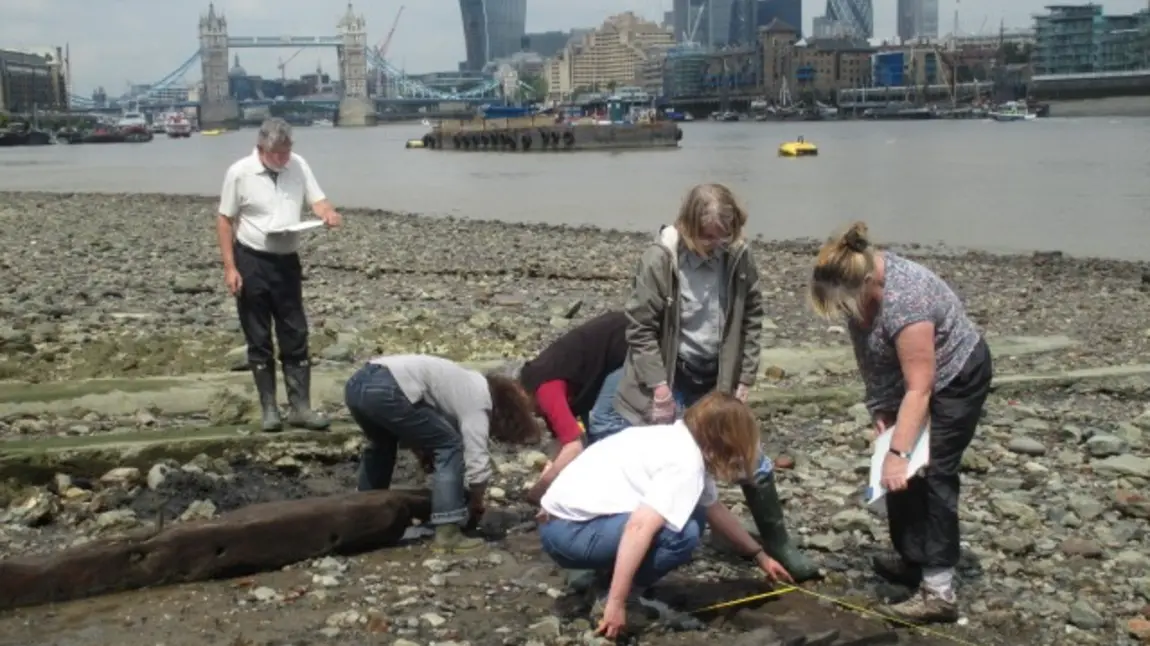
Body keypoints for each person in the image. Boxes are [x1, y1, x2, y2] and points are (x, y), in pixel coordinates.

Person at [590, 182, 820, 582]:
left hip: (719, 375)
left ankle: (778, 541)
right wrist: (658, 386)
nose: (716, 244)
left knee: (749, 453)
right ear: (689, 225)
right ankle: (607, 551)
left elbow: (751, 318)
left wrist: (744, 377)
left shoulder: (738, 257)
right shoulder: (660, 259)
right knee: (659, 459)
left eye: (724, 235)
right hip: (671, 373)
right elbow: (640, 328)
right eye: (708, 236)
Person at [807, 221, 993, 624]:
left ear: (870, 284)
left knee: (934, 472)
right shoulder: (856, 286)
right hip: (914, 382)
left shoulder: (906, 300)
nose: (843, 313)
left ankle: (939, 591)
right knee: (901, 474)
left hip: (956, 375)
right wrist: (881, 411)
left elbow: (920, 389)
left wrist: (898, 450)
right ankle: (914, 559)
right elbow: (871, 358)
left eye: (843, 306)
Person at [539, 392, 793, 639]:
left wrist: (759, 556)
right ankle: (615, 596)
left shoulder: (676, 437)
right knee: (682, 532)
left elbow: (713, 507)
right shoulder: (685, 462)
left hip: (559, 522)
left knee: (693, 512)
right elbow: (638, 528)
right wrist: (616, 603)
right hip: (569, 532)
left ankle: (606, 580)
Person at [215, 117, 340, 433]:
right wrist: (230, 267)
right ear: (261, 149)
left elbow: (318, 199)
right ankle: (269, 408)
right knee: (258, 336)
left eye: (287, 152)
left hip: (286, 260)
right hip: (251, 259)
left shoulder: (298, 165)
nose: (283, 159)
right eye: (277, 155)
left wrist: (327, 212)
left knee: (295, 332)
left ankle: (300, 407)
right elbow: (225, 220)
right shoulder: (239, 172)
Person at [344, 354, 539, 552]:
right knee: (450, 445)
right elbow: (476, 459)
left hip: (357, 383)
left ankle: (363, 519)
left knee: (382, 446)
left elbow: (418, 428)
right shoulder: (479, 399)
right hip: (389, 386)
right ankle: (448, 532)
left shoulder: (459, 384)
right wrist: (476, 502)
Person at [518, 311, 629, 504]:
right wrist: (552, 469)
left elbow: (574, 446)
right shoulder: (534, 386)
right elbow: (564, 441)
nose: (533, 415)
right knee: (593, 429)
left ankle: (617, 490)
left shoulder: (546, 391)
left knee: (601, 420)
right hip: (597, 359)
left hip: (626, 342)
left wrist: (542, 487)